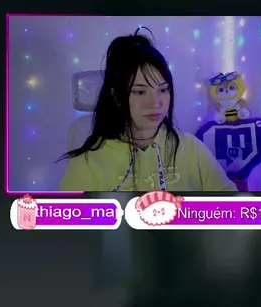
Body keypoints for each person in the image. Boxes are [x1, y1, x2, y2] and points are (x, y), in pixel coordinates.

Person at [58, 32, 235, 192]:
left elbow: (232, 206)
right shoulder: (89, 161)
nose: (156, 103)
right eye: (140, 92)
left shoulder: (191, 148)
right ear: (117, 97)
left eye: (163, 89)